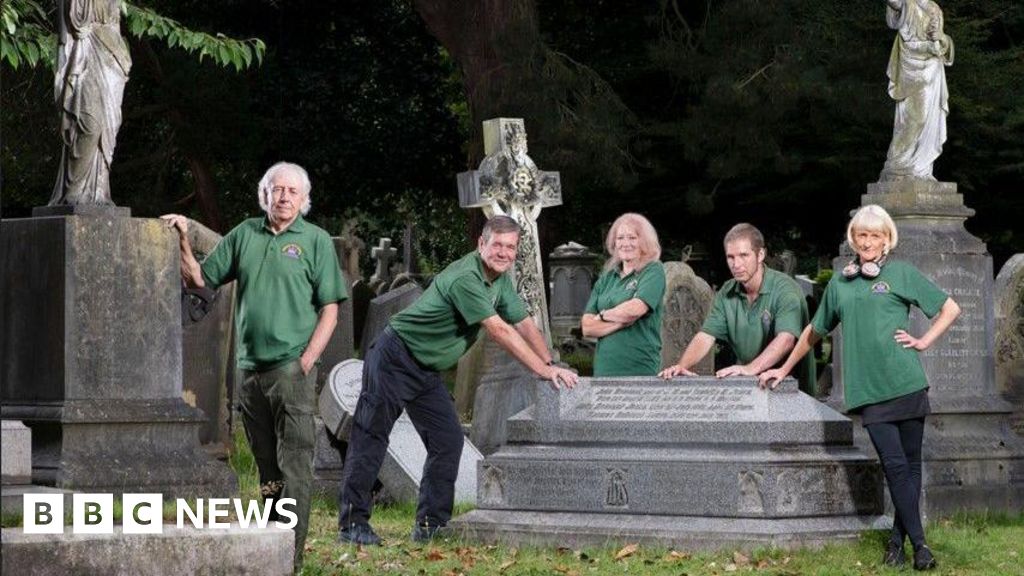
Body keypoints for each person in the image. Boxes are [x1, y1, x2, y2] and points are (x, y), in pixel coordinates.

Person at [337, 215, 578, 546]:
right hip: (395, 357)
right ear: (482, 244)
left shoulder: (500, 281)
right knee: (371, 437)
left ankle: (431, 525)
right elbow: (499, 330)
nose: (504, 252)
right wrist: (541, 370)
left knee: (448, 440)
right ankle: (353, 526)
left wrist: (551, 362)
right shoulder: (467, 277)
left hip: (425, 370)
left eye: (510, 247)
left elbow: (522, 322)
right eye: (497, 245)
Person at [163, 162, 347, 573]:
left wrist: (306, 361)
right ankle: (272, 547)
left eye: (291, 192)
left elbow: (330, 310)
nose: (283, 197)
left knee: (295, 463)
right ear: (264, 195)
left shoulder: (314, 241)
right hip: (248, 371)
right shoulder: (246, 233)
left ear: (303, 199)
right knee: (267, 464)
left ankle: (292, 558)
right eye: (276, 190)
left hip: (291, 370)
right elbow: (199, 279)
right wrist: (182, 239)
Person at [759, 205, 959, 571]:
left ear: (887, 240)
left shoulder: (901, 273)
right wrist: (783, 367)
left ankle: (897, 543)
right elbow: (813, 331)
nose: (867, 242)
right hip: (870, 392)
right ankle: (922, 547)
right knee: (896, 467)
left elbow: (950, 308)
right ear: (854, 239)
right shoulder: (840, 283)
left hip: (907, 382)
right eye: (861, 235)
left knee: (910, 468)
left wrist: (924, 340)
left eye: (875, 235)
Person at [658, 224, 816, 394]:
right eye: (730, 257)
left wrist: (749, 369)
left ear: (760, 254)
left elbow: (786, 340)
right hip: (751, 387)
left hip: (791, 389)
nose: (736, 264)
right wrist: (682, 366)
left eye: (743, 255)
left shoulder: (785, 289)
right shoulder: (727, 291)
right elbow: (706, 336)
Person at [50, 0, 132, 206]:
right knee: (89, 125)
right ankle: (74, 191)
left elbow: (116, 23)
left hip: (113, 59)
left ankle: (99, 192)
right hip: (86, 54)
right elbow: (70, 25)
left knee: (108, 130)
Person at [581, 213, 666, 376]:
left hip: (639, 368)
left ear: (644, 242)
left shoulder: (653, 270)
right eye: (620, 238)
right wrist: (622, 322)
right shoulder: (606, 278)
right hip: (604, 369)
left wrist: (603, 315)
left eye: (632, 238)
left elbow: (635, 309)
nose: (625, 244)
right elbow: (587, 328)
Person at [878, 0, 954, 182]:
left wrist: (942, 38)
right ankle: (898, 165)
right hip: (912, 70)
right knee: (914, 117)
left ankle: (921, 170)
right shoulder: (908, 3)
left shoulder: (935, 8)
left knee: (930, 119)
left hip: (933, 70)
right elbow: (895, 4)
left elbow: (943, 43)